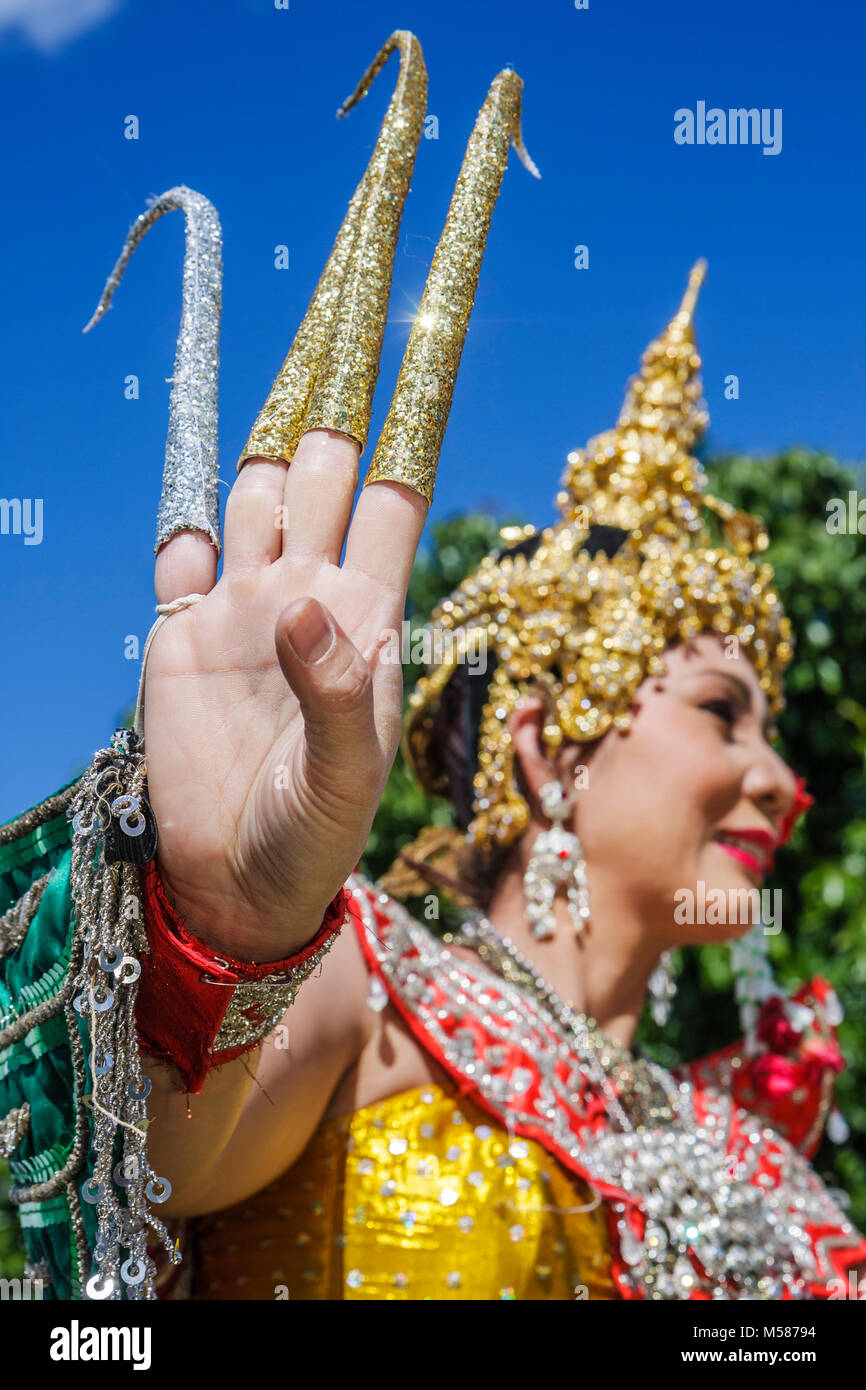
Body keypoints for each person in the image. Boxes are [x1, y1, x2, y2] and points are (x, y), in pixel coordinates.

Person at [0, 30, 862, 1303]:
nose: (779, 778)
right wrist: (225, 931)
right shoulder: (369, 988)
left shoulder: (765, 1172)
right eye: (720, 712)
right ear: (546, 741)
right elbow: (128, 1180)